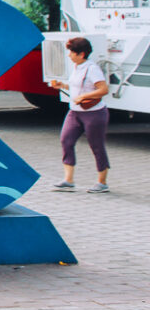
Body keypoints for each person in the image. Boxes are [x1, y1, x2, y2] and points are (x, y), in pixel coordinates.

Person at [48, 36, 111, 193]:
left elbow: (104, 89)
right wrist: (62, 85)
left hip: (94, 114)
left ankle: (102, 183)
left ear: (81, 54)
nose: (68, 55)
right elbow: (77, 87)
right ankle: (68, 180)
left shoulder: (92, 68)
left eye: (71, 52)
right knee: (66, 140)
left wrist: (84, 96)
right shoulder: (77, 67)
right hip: (75, 112)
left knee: (96, 146)